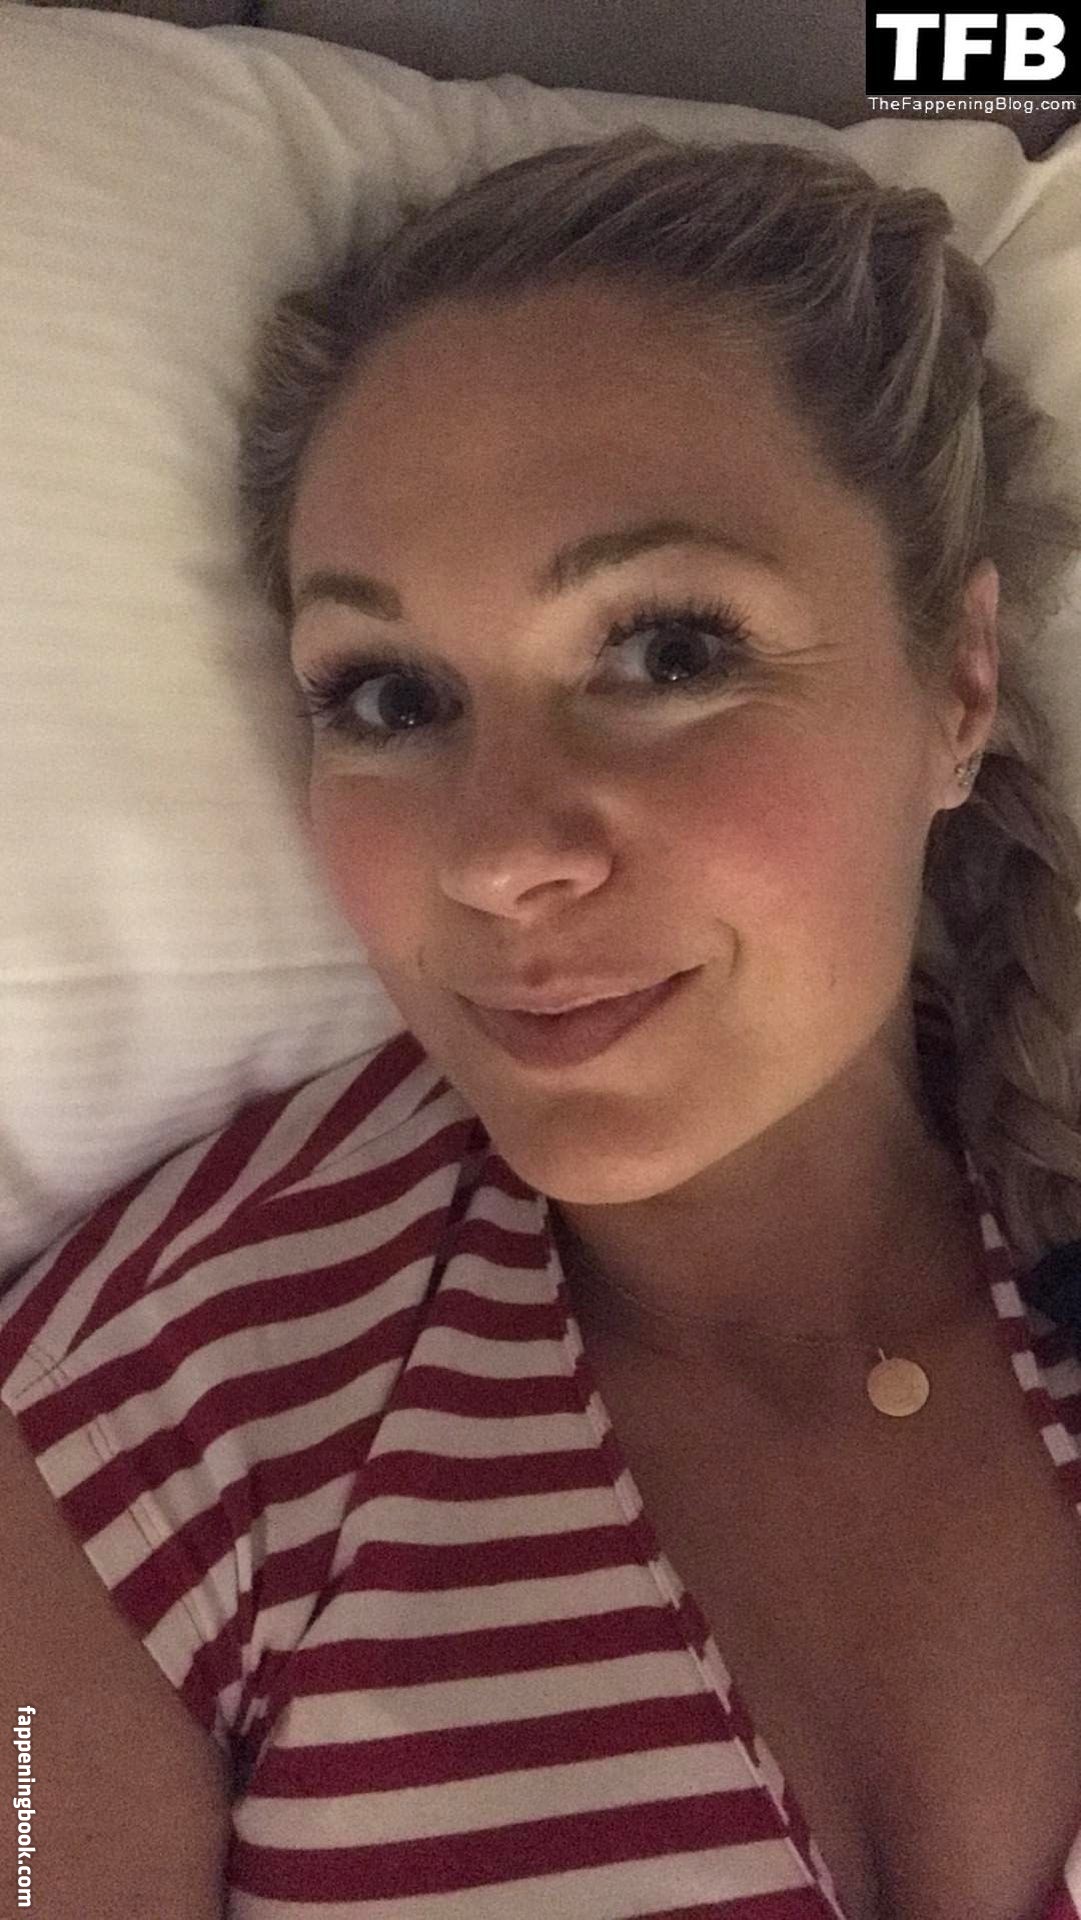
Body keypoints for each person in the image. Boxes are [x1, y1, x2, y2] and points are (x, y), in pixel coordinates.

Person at [3, 128, 1081, 1920]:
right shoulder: (139, 1436)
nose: (501, 856)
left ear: (956, 685)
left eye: (668, 654)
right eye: (389, 696)